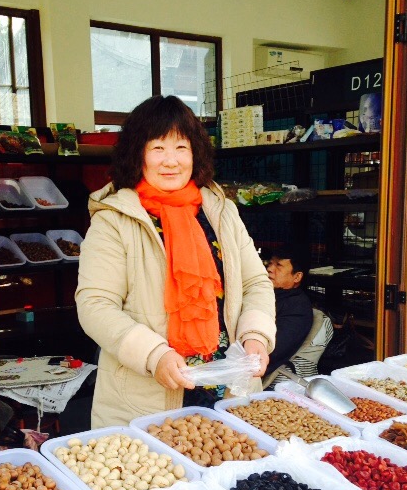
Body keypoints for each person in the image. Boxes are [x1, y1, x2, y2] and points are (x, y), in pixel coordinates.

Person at [76, 95, 276, 428]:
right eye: (157, 148)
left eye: (181, 147)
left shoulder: (221, 211)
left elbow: (255, 282)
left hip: (230, 390)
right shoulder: (114, 219)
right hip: (148, 399)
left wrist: (256, 335)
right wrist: (154, 355)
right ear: (137, 154)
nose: (171, 161)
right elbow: (95, 304)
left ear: (195, 153)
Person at [265, 247, 314, 377]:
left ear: (297, 277)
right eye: (270, 263)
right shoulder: (269, 295)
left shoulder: (297, 308)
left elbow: (272, 350)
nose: (269, 269)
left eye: (279, 265)